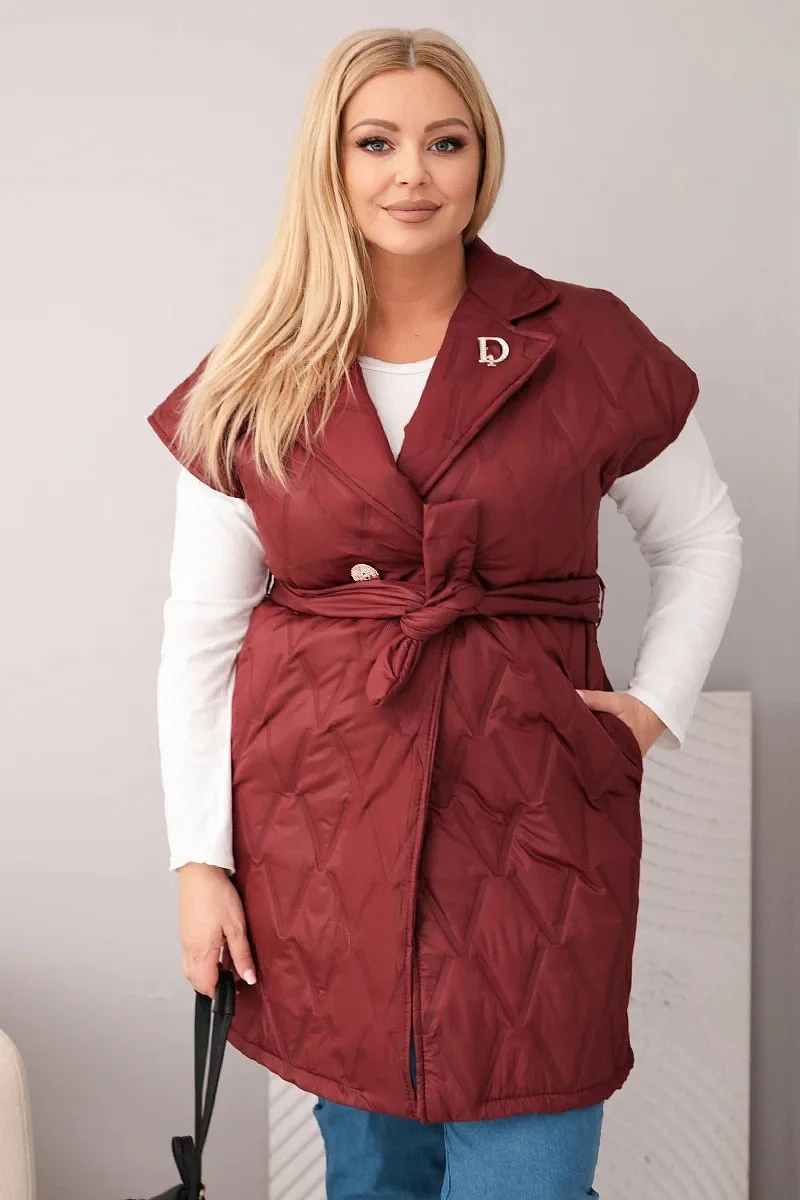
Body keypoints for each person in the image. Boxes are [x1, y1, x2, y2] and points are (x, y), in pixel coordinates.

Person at [146, 26, 743, 1200]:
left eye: (444, 142)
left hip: (533, 811)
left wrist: (646, 712)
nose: (411, 174)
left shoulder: (582, 340)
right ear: (330, 161)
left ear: (482, 158)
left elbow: (699, 535)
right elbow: (200, 636)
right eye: (375, 143)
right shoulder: (255, 374)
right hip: (322, 823)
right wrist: (198, 861)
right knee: (370, 1175)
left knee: (531, 1168)